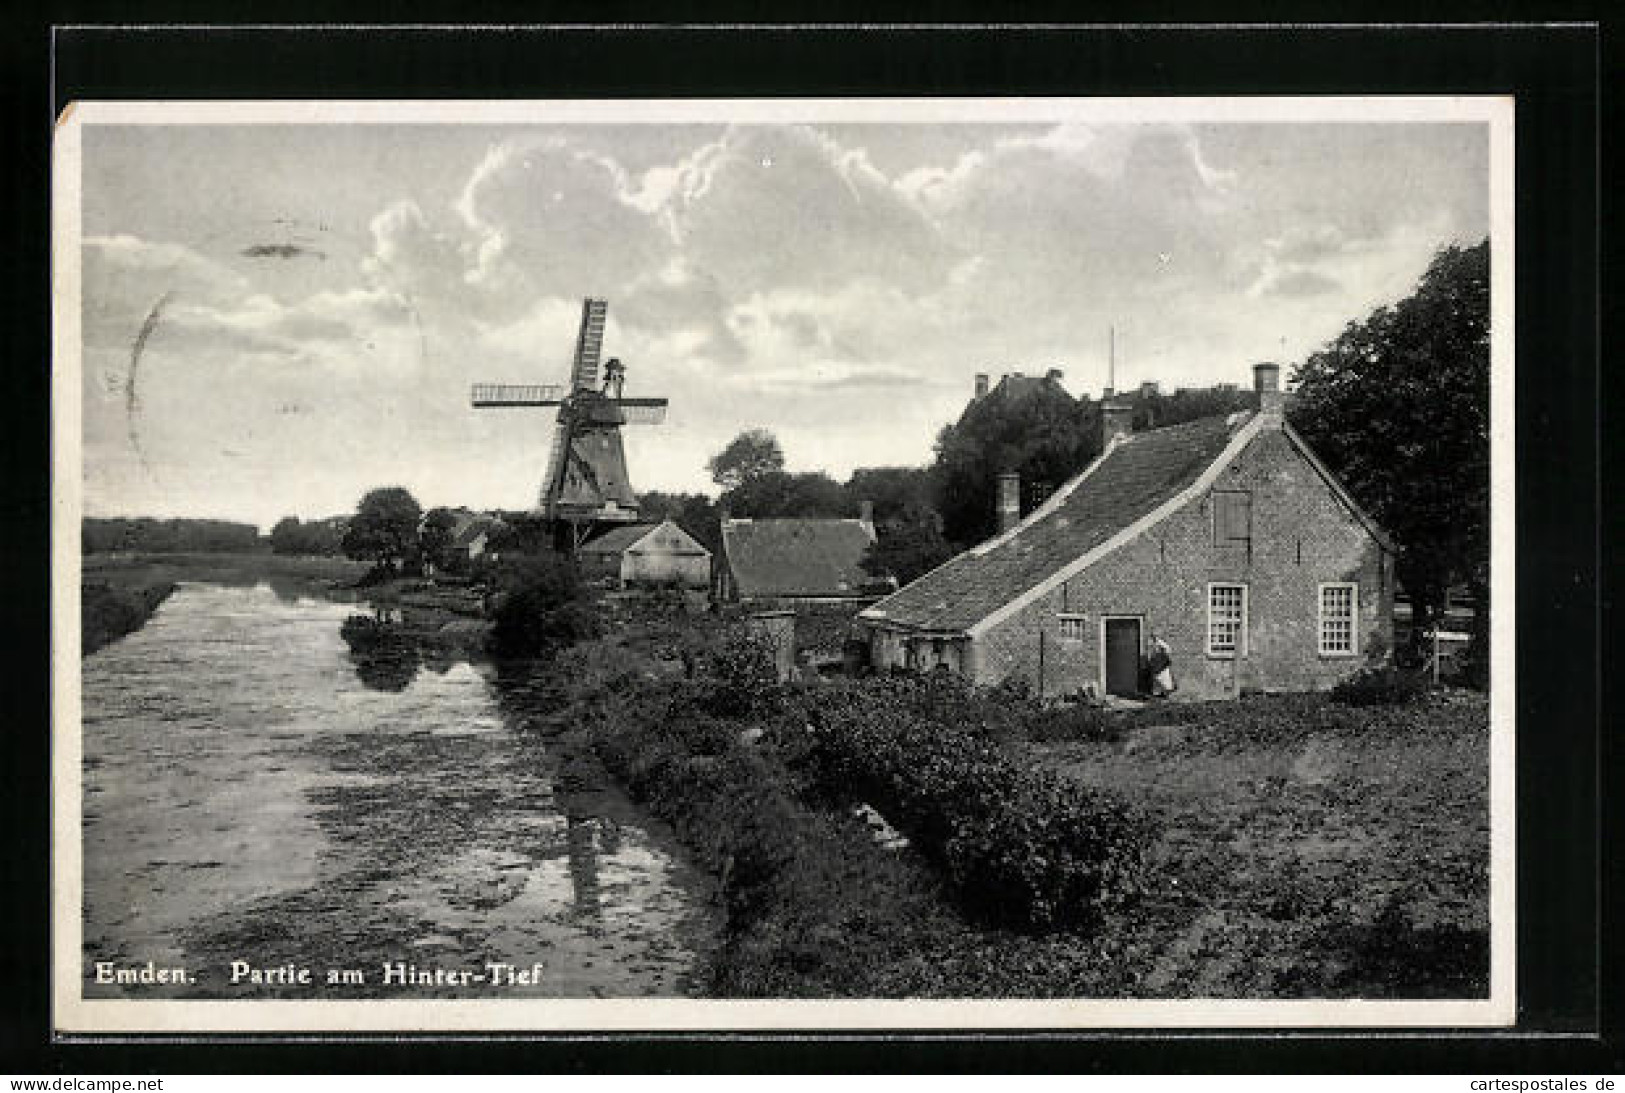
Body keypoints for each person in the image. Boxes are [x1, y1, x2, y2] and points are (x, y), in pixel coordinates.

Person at [1147, 632, 1176, 698]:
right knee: (1157, 678)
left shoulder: (1161, 644)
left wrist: (1159, 643)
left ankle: (1165, 692)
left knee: (1164, 678)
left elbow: (1168, 649)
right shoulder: (1151, 645)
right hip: (1156, 663)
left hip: (1162, 664)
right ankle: (1159, 693)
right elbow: (1150, 653)